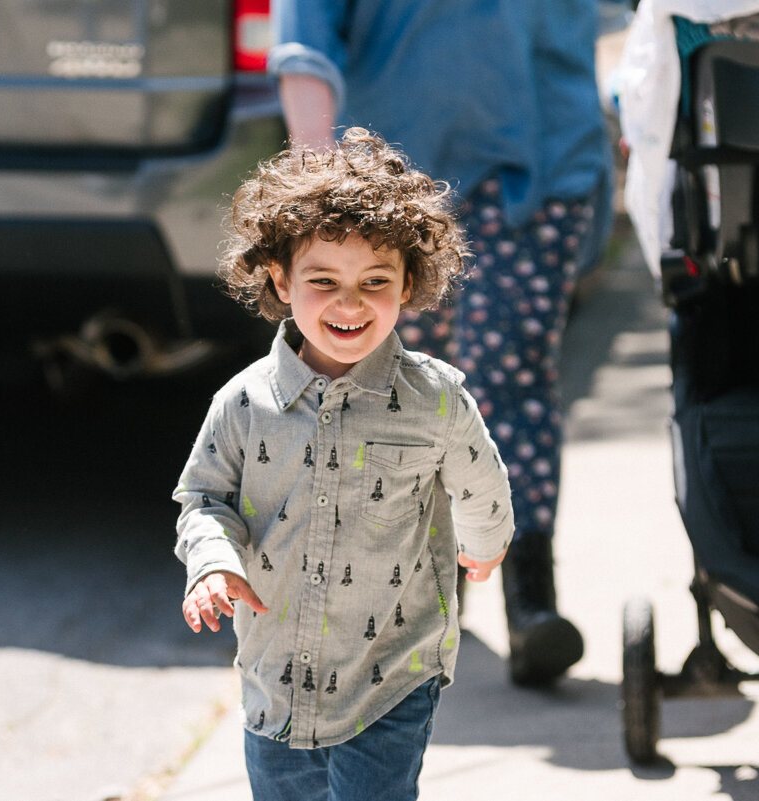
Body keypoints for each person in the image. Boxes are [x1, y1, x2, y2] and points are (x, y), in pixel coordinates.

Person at [267, 0, 615, 685]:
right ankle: (415, 592)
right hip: (390, 185)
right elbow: (304, 38)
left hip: (541, 161)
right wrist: (319, 188)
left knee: (510, 370)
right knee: (398, 394)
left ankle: (530, 596)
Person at [173, 128, 514, 801]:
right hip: (274, 676)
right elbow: (204, 498)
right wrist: (211, 561)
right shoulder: (244, 402)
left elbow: (480, 479)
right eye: (324, 280)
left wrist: (485, 543)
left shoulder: (435, 398)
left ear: (408, 282)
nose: (350, 303)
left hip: (392, 669)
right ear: (281, 278)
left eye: (375, 282)